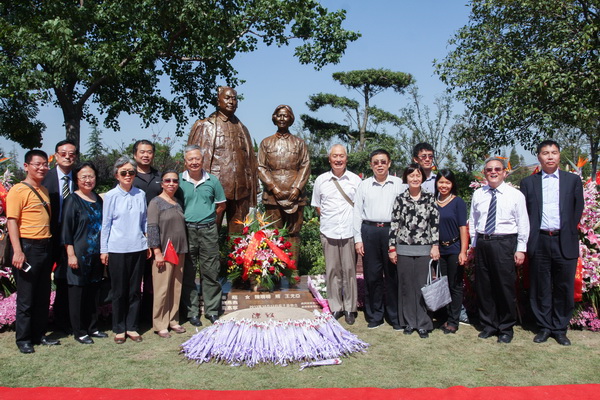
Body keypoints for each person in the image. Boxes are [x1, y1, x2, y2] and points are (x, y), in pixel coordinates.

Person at [520, 140, 584, 346]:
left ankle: (560, 328)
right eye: (545, 153)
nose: (550, 156)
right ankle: (544, 327)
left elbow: (577, 209)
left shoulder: (572, 180)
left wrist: (566, 231)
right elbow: (525, 214)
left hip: (564, 240)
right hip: (539, 240)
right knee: (541, 286)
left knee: (564, 286)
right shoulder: (528, 183)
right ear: (538, 157)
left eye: (554, 153)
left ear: (559, 155)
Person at [469, 157, 529, 343]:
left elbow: (523, 223)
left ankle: (505, 327)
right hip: (483, 243)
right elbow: (473, 220)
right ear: (484, 173)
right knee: (484, 286)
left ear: (504, 172)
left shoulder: (515, 195)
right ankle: (489, 325)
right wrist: (474, 244)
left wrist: (521, 248)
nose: (493, 172)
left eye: (497, 169)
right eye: (489, 170)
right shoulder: (479, 194)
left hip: (504, 243)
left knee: (504, 287)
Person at [7, 149, 60, 353]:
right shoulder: (18, 191)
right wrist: (18, 251)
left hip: (45, 247)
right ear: (26, 166)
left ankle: (39, 334)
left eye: (45, 164)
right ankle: (24, 339)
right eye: (37, 164)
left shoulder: (44, 190)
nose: (42, 168)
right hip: (27, 247)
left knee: (43, 294)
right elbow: (12, 222)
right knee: (27, 297)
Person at [187, 86, 257, 234]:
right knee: (209, 236)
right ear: (218, 101)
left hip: (241, 191)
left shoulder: (242, 129)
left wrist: (252, 191)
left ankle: (236, 258)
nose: (231, 101)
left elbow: (251, 162)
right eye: (227, 97)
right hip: (214, 190)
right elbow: (192, 160)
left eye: (234, 98)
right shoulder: (205, 125)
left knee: (239, 238)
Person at [353, 149, 405, 329]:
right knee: (372, 276)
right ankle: (375, 315)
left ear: (389, 163)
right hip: (370, 231)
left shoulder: (399, 184)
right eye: (376, 162)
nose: (380, 165)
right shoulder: (364, 185)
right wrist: (358, 239)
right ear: (371, 165)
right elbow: (357, 213)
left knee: (393, 276)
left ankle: (395, 316)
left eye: (383, 161)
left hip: (392, 231)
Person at [311, 144, 362, 324]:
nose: (338, 159)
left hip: (349, 232)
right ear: (329, 159)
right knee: (332, 271)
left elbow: (360, 208)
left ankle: (349, 308)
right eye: (335, 156)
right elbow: (318, 206)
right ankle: (336, 307)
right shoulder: (321, 180)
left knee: (349, 271)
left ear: (346, 159)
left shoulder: (355, 180)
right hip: (329, 231)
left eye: (341, 156)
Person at [100, 156, 148, 344]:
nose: (128, 175)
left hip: (138, 247)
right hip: (117, 249)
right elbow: (106, 224)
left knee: (135, 290)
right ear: (116, 175)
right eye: (124, 172)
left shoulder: (140, 194)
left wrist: (148, 243)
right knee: (119, 291)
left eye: (131, 172)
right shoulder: (111, 196)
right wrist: (104, 250)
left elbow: (144, 221)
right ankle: (119, 328)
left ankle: (132, 326)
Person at [388, 163, 440, 338]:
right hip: (403, 248)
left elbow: (434, 224)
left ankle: (424, 323)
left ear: (422, 178)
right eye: (411, 176)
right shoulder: (400, 198)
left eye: (418, 175)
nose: (415, 178)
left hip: (425, 248)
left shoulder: (430, 198)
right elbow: (394, 224)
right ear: (406, 178)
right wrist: (392, 248)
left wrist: (435, 245)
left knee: (422, 286)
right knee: (406, 287)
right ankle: (409, 322)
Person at [61, 162, 108, 344]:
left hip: (96, 255)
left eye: (91, 176)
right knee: (77, 294)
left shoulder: (98, 199)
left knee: (93, 293)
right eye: (84, 177)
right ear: (77, 180)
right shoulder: (72, 200)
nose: (88, 180)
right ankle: (79, 331)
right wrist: (70, 254)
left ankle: (93, 327)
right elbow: (66, 231)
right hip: (79, 255)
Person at [179, 145, 226, 326]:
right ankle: (191, 312)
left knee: (210, 271)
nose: (194, 162)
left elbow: (221, 205)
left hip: (208, 230)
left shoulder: (212, 180)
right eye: (190, 159)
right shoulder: (180, 181)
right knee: (188, 273)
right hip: (187, 230)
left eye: (197, 159)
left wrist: (210, 218)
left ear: (202, 160)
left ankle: (212, 310)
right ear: (185, 161)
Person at [258, 105, 310, 259]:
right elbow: (261, 167)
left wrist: (297, 189)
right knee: (274, 233)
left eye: (285, 116)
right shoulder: (266, 143)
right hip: (273, 197)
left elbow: (305, 166)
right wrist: (273, 188)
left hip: (295, 196)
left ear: (291, 119)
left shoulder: (299, 143)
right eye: (279, 115)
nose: (282, 119)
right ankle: (275, 271)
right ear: (274, 118)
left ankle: (293, 269)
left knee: (294, 232)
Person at [42, 139, 79, 334]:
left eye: (71, 153)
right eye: (63, 153)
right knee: (42, 281)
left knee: (65, 280)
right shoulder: (44, 178)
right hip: (47, 237)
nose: (67, 156)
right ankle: (40, 323)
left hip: (71, 239)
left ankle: (63, 321)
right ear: (56, 156)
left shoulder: (80, 178)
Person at [147, 170, 188, 338]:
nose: (171, 183)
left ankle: (173, 320)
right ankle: (160, 323)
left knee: (176, 288)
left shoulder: (177, 202)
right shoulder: (155, 203)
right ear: (162, 183)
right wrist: (156, 251)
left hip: (180, 250)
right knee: (162, 289)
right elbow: (152, 227)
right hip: (164, 252)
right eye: (167, 180)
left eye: (175, 180)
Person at [434, 169, 468, 334]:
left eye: (447, 182)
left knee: (455, 286)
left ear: (452, 184)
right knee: (443, 285)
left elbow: (463, 228)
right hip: (439, 250)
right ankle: (445, 317)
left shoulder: (458, 202)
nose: (444, 185)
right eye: (441, 182)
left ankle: (453, 321)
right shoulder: (433, 202)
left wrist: (463, 251)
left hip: (454, 249)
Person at [132, 139, 162, 323]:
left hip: (156, 232)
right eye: (142, 152)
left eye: (149, 152)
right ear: (135, 155)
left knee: (153, 278)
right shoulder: (128, 176)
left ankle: (152, 314)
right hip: (134, 234)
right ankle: (135, 317)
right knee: (136, 278)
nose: (146, 155)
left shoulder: (160, 177)